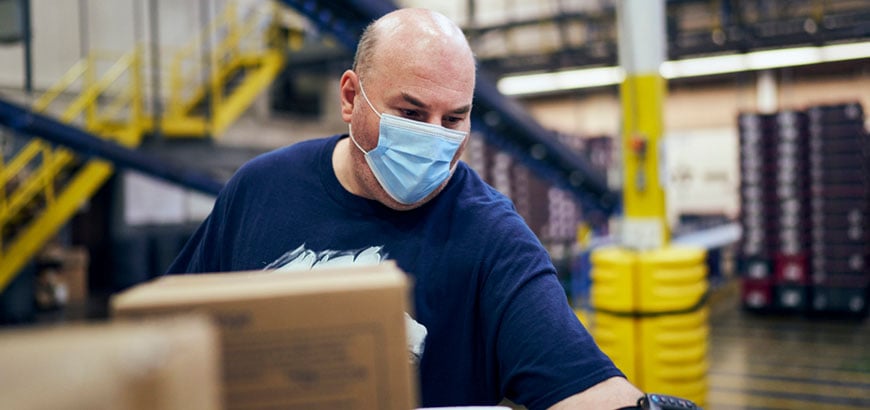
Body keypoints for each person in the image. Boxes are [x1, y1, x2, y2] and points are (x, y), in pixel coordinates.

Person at [167, 7, 644, 409]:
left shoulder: (492, 236)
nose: (434, 137)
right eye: (412, 114)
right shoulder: (261, 189)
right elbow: (167, 335)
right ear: (352, 98)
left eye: (453, 118)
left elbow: (582, 384)